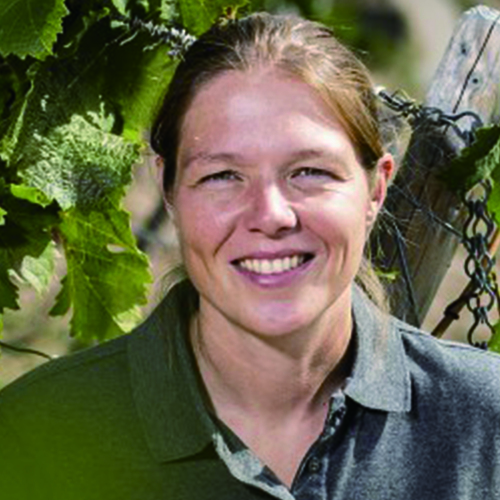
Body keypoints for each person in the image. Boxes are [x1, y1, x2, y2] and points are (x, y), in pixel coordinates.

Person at [0, 12, 499, 500]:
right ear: (169, 190)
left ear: (375, 190)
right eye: (222, 176)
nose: (271, 214)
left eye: (310, 171)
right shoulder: (34, 436)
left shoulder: (487, 424)